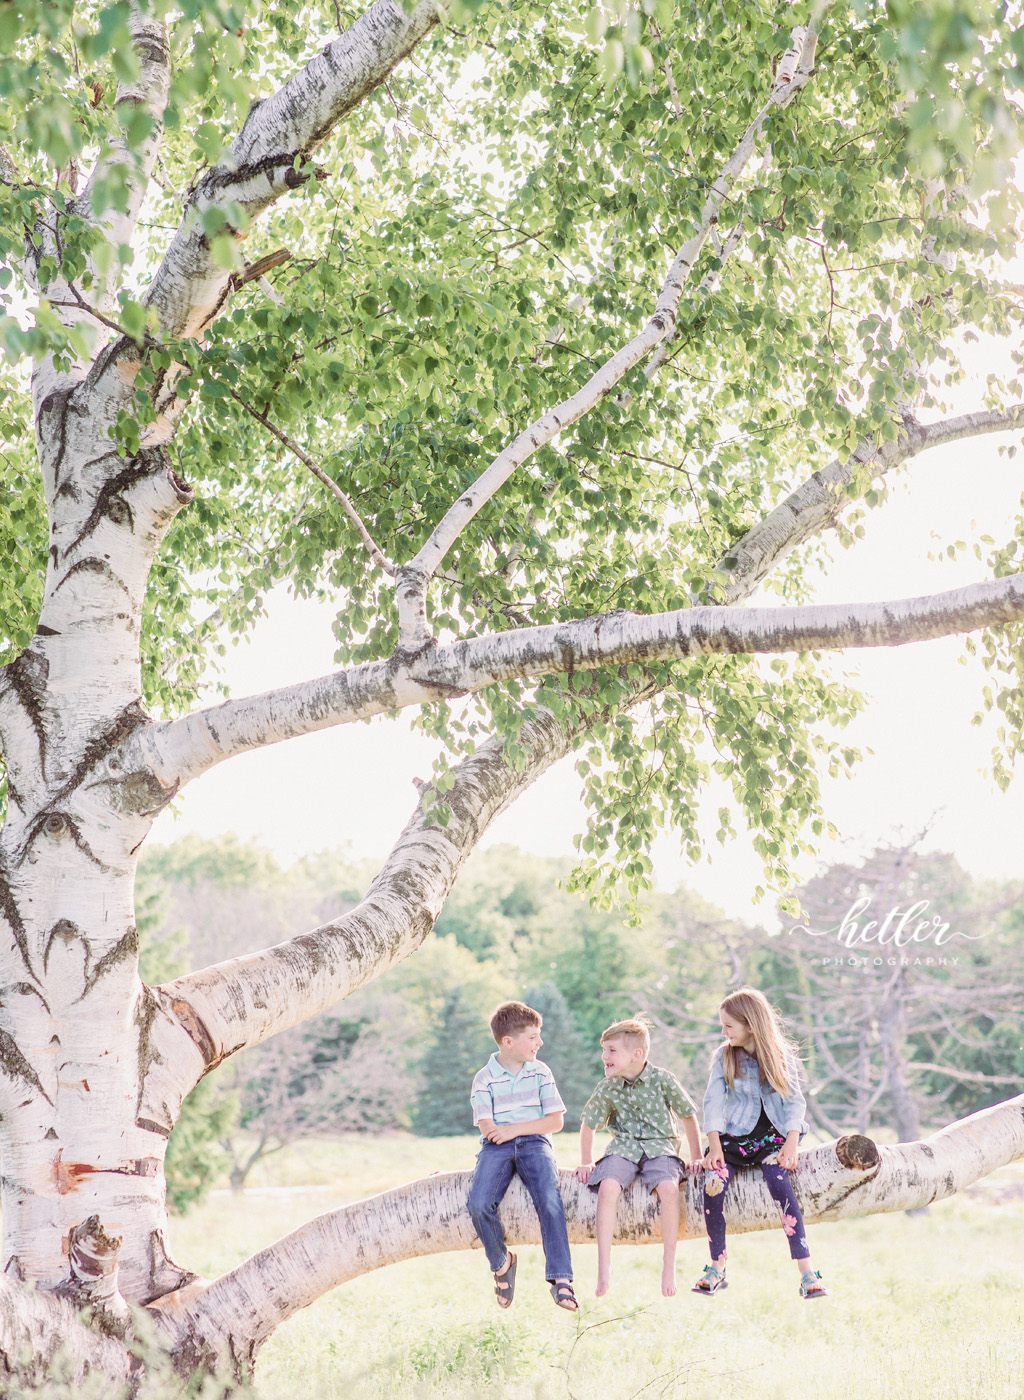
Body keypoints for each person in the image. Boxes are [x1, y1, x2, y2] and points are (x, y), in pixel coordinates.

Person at [694, 986, 827, 1300]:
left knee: (779, 1184)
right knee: (712, 1185)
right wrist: (713, 1145)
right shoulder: (724, 1055)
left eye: (729, 1026)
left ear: (750, 1025)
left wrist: (791, 1144)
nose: (723, 1031)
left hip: (773, 1139)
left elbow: (795, 1102)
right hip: (734, 1138)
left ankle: (807, 1272)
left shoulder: (782, 1056)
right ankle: (717, 1266)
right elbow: (712, 1102)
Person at [575, 1017, 702, 1298]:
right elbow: (589, 1124)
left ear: (637, 1055)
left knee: (669, 1189)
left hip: (661, 1147)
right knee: (608, 1187)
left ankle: (668, 1266)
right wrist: (586, 1161)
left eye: (611, 1050)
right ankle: (604, 1268)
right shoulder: (607, 1087)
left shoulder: (662, 1080)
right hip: (624, 1148)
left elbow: (688, 1116)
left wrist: (697, 1156)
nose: (604, 1056)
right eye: (603, 1049)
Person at [467, 1000, 578, 1312]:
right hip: (497, 1147)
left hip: (534, 1143)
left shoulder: (540, 1072)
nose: (539, 1042)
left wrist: (515, 1129)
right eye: (533, 1036)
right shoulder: (484, 1078)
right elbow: (488, 1126)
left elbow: (555, 1121)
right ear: (508, 1042)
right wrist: (503, 1134)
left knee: (549, 1200)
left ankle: (561, 1278)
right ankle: (501, 1263)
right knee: (478, 1203)